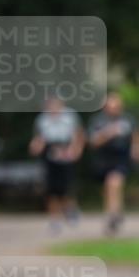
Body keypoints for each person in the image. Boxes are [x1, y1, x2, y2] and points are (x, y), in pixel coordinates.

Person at [88, 92, 139, 235]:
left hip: (121, 157)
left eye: (117, 106)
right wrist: (109, 133)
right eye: (111, 106)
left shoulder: (128, 119)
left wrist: (137, 148)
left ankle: (112, 216)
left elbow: (138, 134)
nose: (114, 109)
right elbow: (93, 142)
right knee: (108, 188)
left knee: (114, 182)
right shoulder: (98, 121)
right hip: (103, 158)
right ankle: (115, 212)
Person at [29, 96, 85, 234]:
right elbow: (39, 138)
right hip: (50, 153)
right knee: (51, 189)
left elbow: (79, 134)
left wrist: (76, 150)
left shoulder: (70, 116)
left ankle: (70, 209)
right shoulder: (42, 119)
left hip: (66, 151)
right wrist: (36, 146)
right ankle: (55, 219)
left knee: (66, 187)